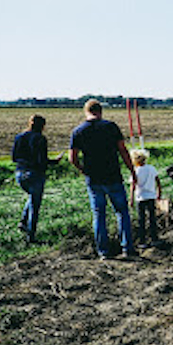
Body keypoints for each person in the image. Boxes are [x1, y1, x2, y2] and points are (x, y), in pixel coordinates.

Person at [69, 99, 138, 260]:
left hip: (93, 179)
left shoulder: (78, 131)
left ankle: (104, 252)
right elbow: (122, 149)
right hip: (113, 175)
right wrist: (132, 170)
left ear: (86, 111)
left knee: (99, 215)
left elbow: (72, 158)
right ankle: (127, 248)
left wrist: (82, 169)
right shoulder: (111, 127)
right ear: (100, 111)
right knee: (122, 212)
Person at [11, 114, 62, 244]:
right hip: (35, 174)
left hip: (19, 173)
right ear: (42, 126)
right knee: (35, 205)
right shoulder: (40, 139)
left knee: (32, 197)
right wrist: (55, 162)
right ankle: (31, 236)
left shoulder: (19, 137)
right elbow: (42, 161)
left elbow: (14, 158)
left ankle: (23, 222)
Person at [129, 149, 162, 248]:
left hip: (140, 197)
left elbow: (133, 186)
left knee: (141, 220)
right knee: (152, 218)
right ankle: (154, 239)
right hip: (151, 196)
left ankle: (142, 241)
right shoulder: (151, 168)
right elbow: (158, 181)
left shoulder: (135, 171)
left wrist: (131, 199)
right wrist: (159, 193)